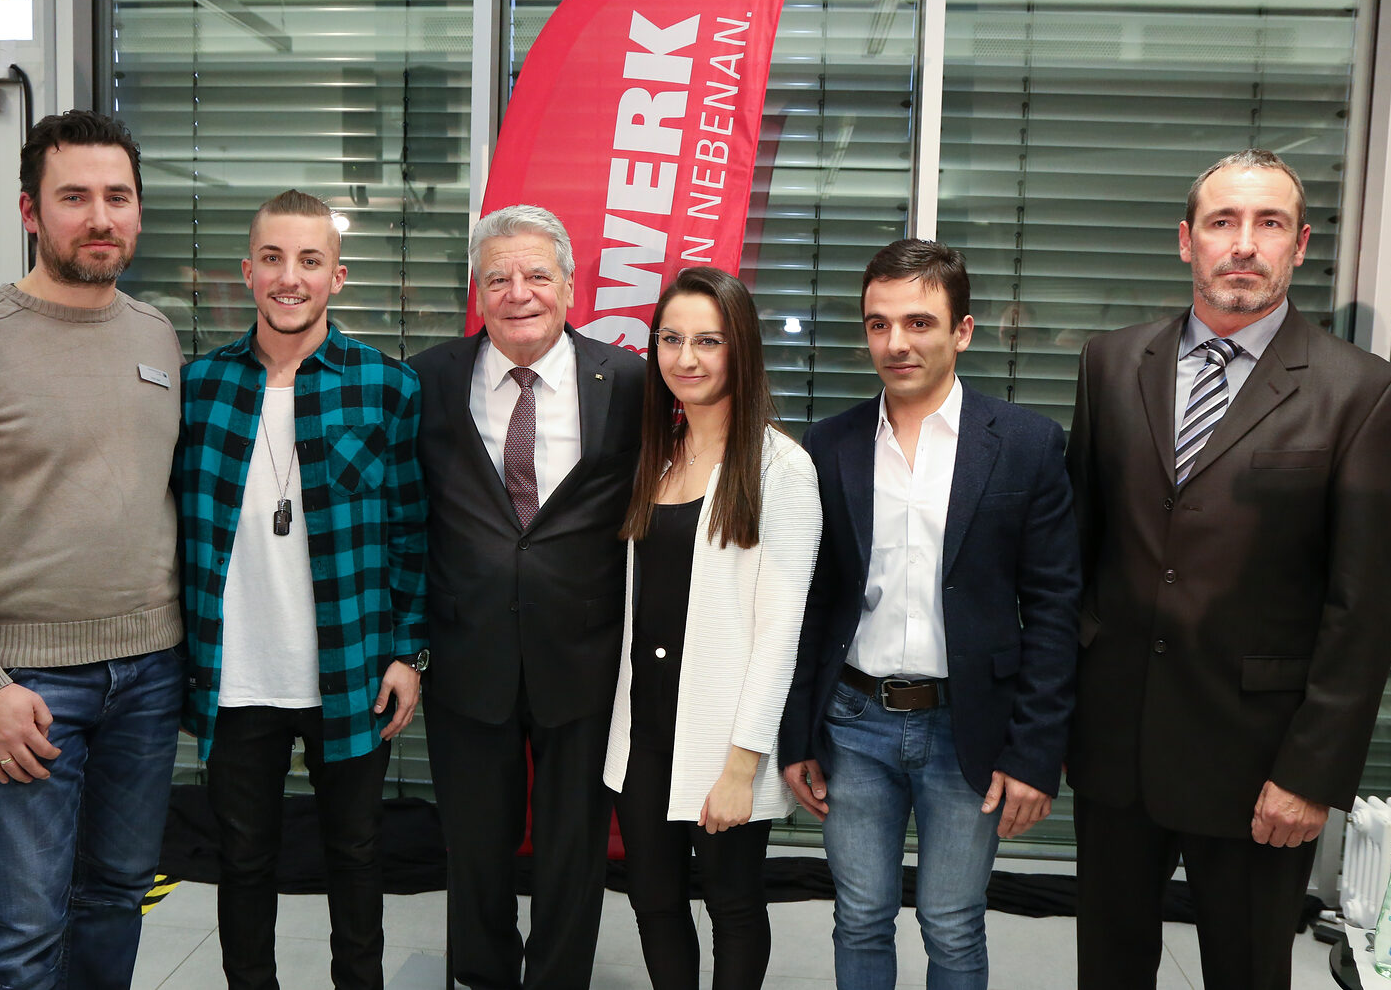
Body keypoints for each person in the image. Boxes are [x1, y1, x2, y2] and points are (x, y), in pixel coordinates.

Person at [1067, 148, 1391, 989]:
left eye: (1270, 224)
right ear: (1187, 241)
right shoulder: (1110, 364)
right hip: (1117, 749)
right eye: (1223, 222)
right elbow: (1078, 553)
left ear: (1301, 244)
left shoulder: (1361, 393)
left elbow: (1362, 609)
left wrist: (1310, 774)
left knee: (1247, 973)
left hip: (1259, 766)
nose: (1243, 244)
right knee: (1107, 968)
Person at [0, 110, 184, 990]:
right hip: (26, 687)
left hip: (149, 675)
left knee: (117, 898)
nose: (101, 217)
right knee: (18, 932)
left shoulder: (155, 335)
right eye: (75, 197)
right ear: (29, 210)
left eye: (117, 196)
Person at [780, 239, 1080, 989]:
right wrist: (797, 733)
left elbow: (1052, 608)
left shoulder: (1025, 445)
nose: (896, 342)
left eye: (918, 322)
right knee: (859, 913)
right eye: (879, 324)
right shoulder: (832, 443)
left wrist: (1035, 752)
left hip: (968, 725)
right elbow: (812, 602)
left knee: (952, 921)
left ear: (963, 330)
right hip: (855, 718)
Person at [173, 189, 427, 990]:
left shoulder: (384, 386)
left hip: (348, 669)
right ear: (247, 272)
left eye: (309, 261)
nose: (291, 277)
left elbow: (411, 531)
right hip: (235, 672)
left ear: (337, 277)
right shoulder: (199, 387)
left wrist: (409, 653)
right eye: (274, 259)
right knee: (243, 862)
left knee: (355, 857)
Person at [406, 203, 646, 989]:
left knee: (574, 846)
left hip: (585, 654)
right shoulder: (429, 378)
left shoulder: (632, 381)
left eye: (537, 274)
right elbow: (407, 512)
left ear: (571, 286)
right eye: (498, 277)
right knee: (474, 844)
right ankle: (481, 974)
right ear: (478, 289)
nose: (518, 292)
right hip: (466, 650)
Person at [601, 266, 820, 987]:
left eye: (707, 341)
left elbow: (778, 633)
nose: (685, 358)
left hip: (725, 738)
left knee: (730, 902)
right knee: (654, 901)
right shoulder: (656, 458)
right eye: (670, 339)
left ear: (740, 350)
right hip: (645, 730)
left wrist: (740, 766)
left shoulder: (781, 467)